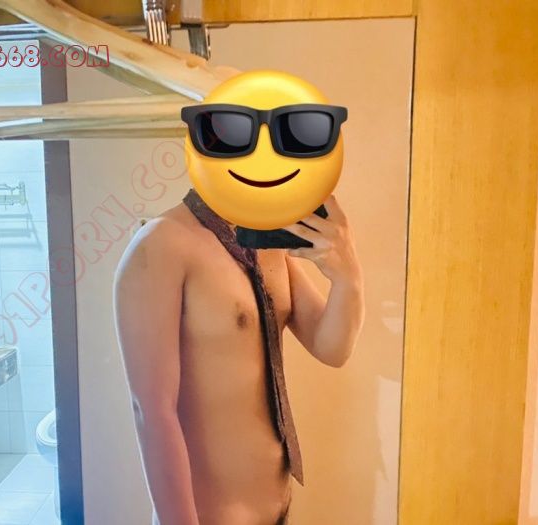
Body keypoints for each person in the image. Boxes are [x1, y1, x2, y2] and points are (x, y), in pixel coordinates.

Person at [113, 190, 364, 525]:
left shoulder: (265, 242)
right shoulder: (161, 244)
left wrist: (348, 278)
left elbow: (331, 347)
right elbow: (151, 411)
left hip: (279, 510)